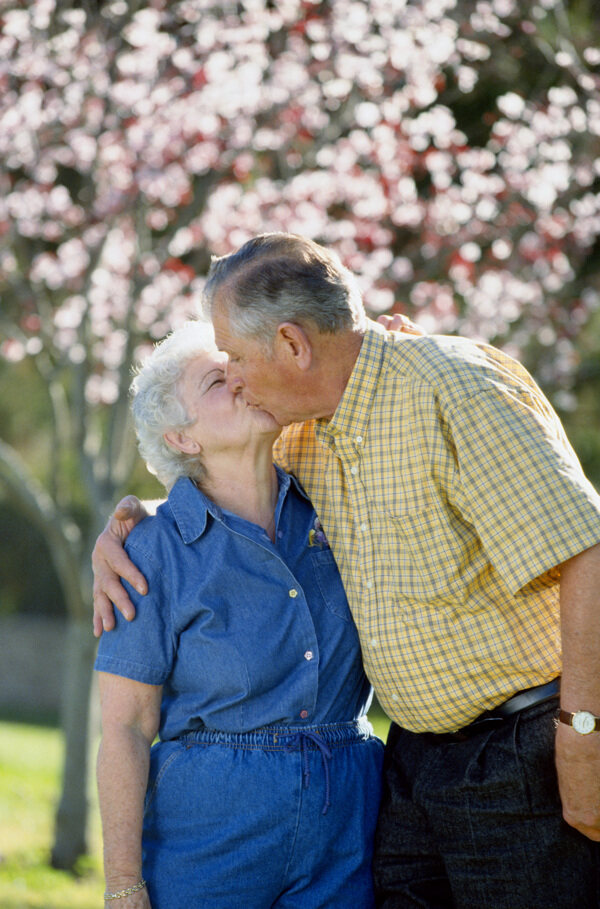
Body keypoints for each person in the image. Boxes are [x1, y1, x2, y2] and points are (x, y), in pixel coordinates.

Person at [93, 233, 600, 909]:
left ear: (293, 345)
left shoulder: (440, 393)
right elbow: (221, 495)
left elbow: (586, 548)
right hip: (410, 770)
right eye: (224, 370)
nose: (237, 376)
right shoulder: (305, 430)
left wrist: (586, 736)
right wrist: (138, 521)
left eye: (237, 359)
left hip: (516, 756)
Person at [94, 319, 384, 908]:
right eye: (215, 382)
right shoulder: (149, 552)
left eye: (240, 368)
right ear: (183, 439)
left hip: (348, 819)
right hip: (210, 836)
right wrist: (123, 885)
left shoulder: (335, 501)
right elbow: (125, 728)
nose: (241, 382)